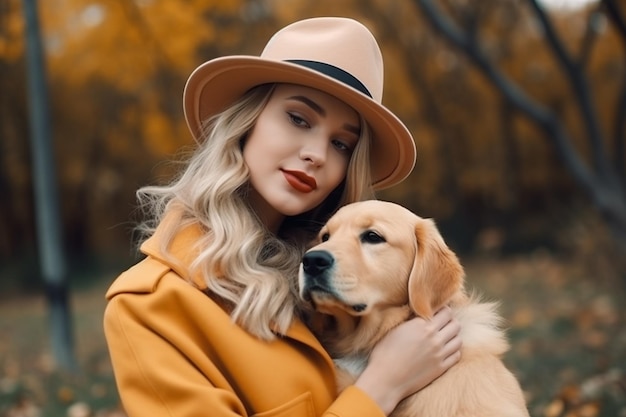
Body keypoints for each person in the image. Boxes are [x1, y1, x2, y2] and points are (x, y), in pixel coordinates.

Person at [103, 16, 462, 417]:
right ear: (246, 122)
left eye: (342, 143)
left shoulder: (351, 281)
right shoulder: (150, 304)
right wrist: (381, 387)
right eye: (298, 119)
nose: (318, 154)